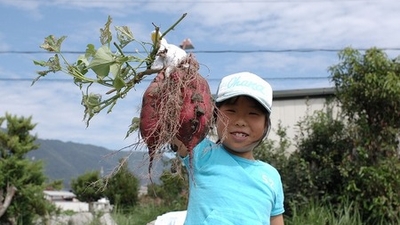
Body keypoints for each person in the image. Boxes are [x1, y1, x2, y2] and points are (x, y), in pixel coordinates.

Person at [172, 71, 285, 225]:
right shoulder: (202, 152)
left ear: (266, 124)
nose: (240, 121)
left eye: (253, 113)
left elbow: (275, 220)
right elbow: (173, 124)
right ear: (215, 116)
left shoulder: (271, 176)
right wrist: (173, 73)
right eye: (231, 111)